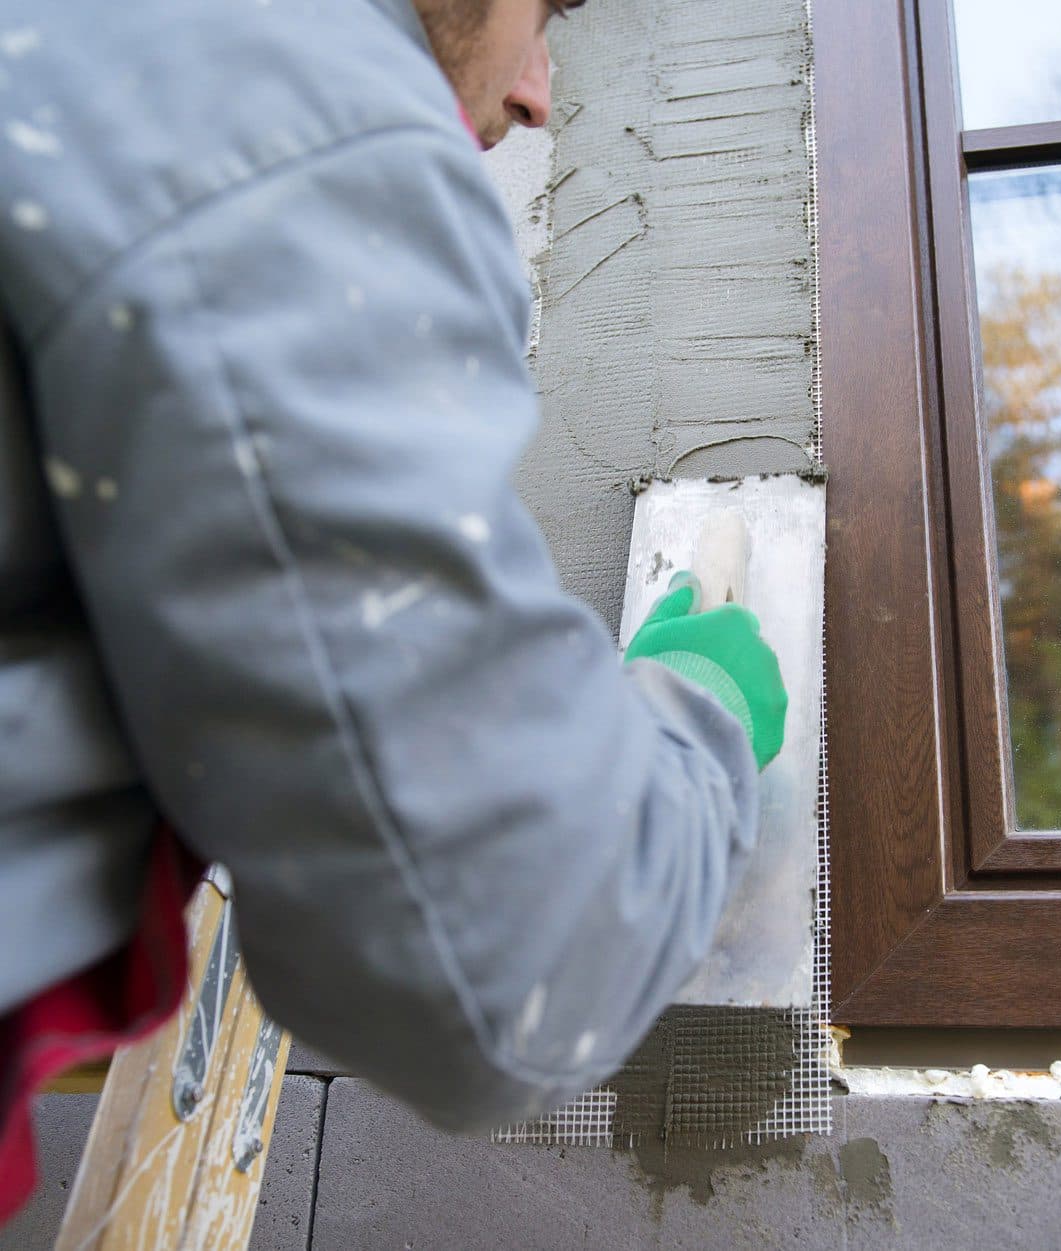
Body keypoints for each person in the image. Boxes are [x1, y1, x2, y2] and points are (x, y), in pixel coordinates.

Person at [0, 0, 786, 1217]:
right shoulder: (290, 115)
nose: (538, 93)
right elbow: (505, 967)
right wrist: (702, 714)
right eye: (542, 13)